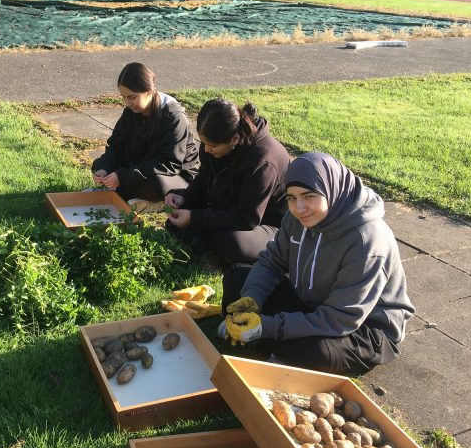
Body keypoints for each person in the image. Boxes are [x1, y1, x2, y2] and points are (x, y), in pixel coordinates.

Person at [220, 152, 415, 375]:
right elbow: (272, 261)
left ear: (332, 190)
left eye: (309, 196)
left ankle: (264, 340)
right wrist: (251, 299)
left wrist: (266, 327)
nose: (299, 208)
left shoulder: (366, 240)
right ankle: (269, 343)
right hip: (313, 305)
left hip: (361, 328)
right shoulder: (297, 217)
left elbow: (340, 320)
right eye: (291, 197)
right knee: (238, 277)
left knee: (320, 353)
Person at [164, 99, 290, 265]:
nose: (207, 149)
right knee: (176, 217)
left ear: (235, 139)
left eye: (213, 146)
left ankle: (208, 246)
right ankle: (207, 245)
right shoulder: (213, 146)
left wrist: (195, 218)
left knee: (231, 242)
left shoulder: (263, 162)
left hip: (268, 225)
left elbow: (248, 218)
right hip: (229, 209)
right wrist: (184, 198)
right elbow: (204, 180)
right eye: (204, 143)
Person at [91, 62, 199, 204]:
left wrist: (123, 177)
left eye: (132, 97)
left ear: (149, 91)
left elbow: (169, 164)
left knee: (158, 185)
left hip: (175, 175)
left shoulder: (174, 117)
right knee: (101, 166)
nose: (127, 103)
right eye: (124, 97)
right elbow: (116, 146)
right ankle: (123, 191)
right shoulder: (130, 112)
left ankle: (123, 192)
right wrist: (104, 168)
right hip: (142, 167)